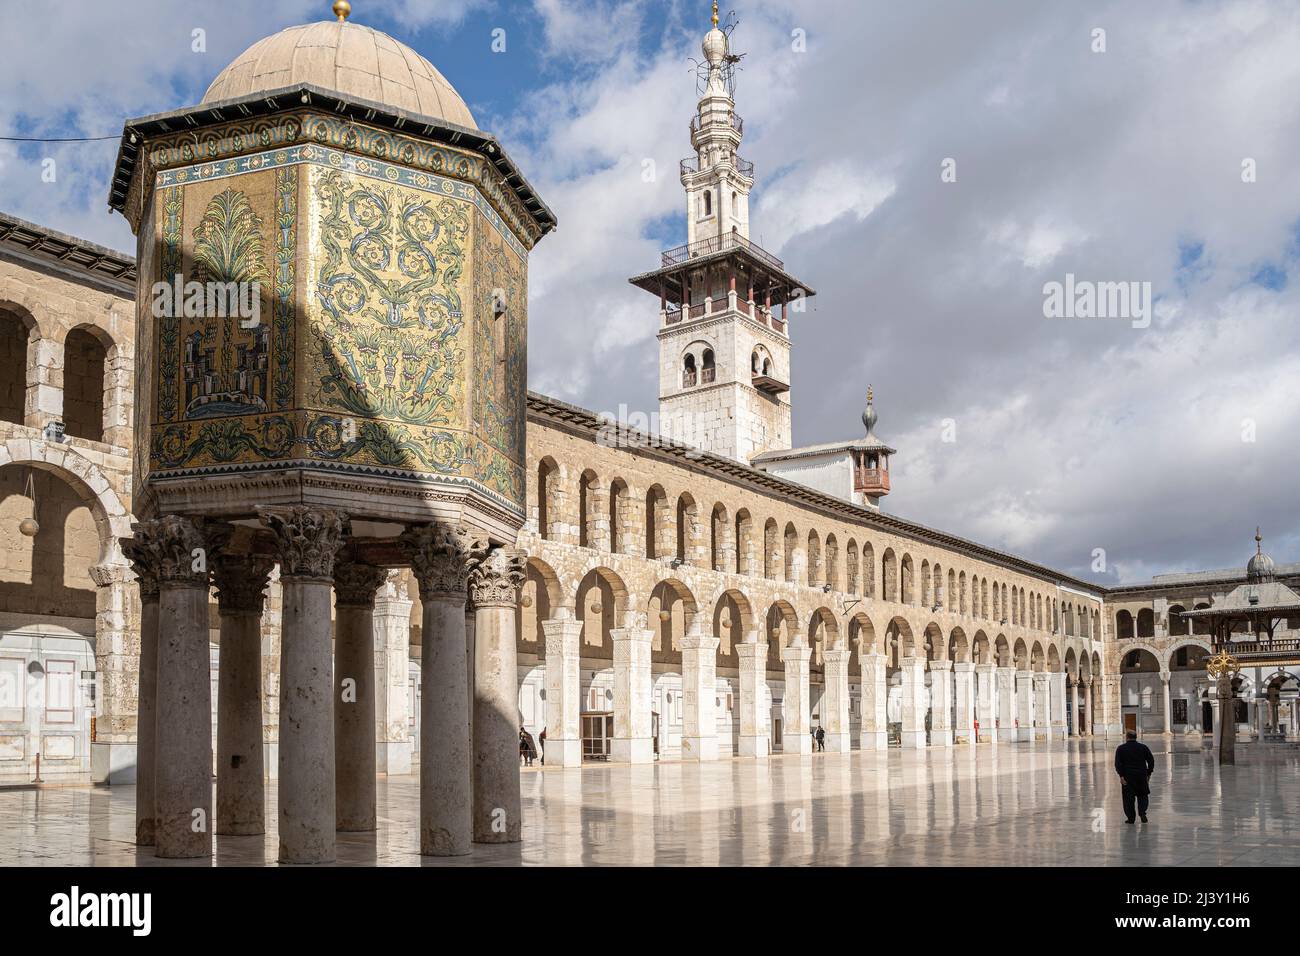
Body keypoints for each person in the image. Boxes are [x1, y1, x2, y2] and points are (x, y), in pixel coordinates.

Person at [1114, 730, 1155, 823]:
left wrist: (1121, 775)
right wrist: (1149, 773)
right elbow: (1151, 760)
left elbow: (1118, 764)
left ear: (1127, 737)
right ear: (1136, 737)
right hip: (1141, 776)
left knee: (1128, 799)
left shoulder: (1121, 748)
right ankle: (1142, 812)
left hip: (1128, 777)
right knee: (1143, 795)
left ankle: (1131, 818)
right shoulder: (1143, 747)